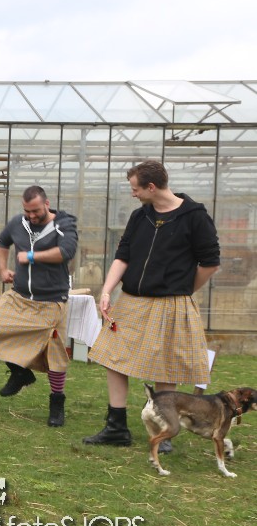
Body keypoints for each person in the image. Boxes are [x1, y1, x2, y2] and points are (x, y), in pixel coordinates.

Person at [84, 159, 220, 447]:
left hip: (170, 303)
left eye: (135, 189)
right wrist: (106, 291)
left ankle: (164, 430)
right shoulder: (140, 216)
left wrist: (184, 289)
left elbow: (210, 263)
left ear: (151, 187)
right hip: (131, 301)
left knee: (165, 367)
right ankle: (116, 427)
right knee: (112, 358)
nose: (133, 193)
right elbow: (123, 256)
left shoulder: (194, 217)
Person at [0, 186, 78, 426]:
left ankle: (57, 403)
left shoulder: (63, 225)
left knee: (55, 356)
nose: (31, 216)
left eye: (36, 211)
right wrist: (3, 269)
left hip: (51, 300)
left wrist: (31, 256)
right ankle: (20, 373)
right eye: (27, 211)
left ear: (47, 204)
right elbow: (2, 241)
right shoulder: (18, 223)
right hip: (20, 296)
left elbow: (66, 251)